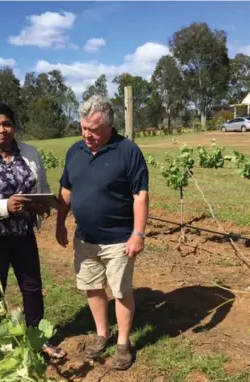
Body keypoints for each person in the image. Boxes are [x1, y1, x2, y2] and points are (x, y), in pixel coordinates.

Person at [0, 101, 66, 359]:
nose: (2, 130)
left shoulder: (30, 153)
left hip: (23, 234)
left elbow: (40, 186)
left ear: (14, 125)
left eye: (7, 124)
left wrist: (40, 205)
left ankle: (38, 338)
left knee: (32, 287)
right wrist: (5, 206)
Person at [56, 95, 149, 370]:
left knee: (121, 291)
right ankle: (101, 333)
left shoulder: (128, 151)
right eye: (84, 128)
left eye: (94, 130)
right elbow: (66, 190)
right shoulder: (75, 151)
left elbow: (140, 195)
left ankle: (123, 343)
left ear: (109, 126)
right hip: (85, 238)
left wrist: (138, 234)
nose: (88, 134)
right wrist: (60, 222)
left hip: (119, 239)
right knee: (93, 287)